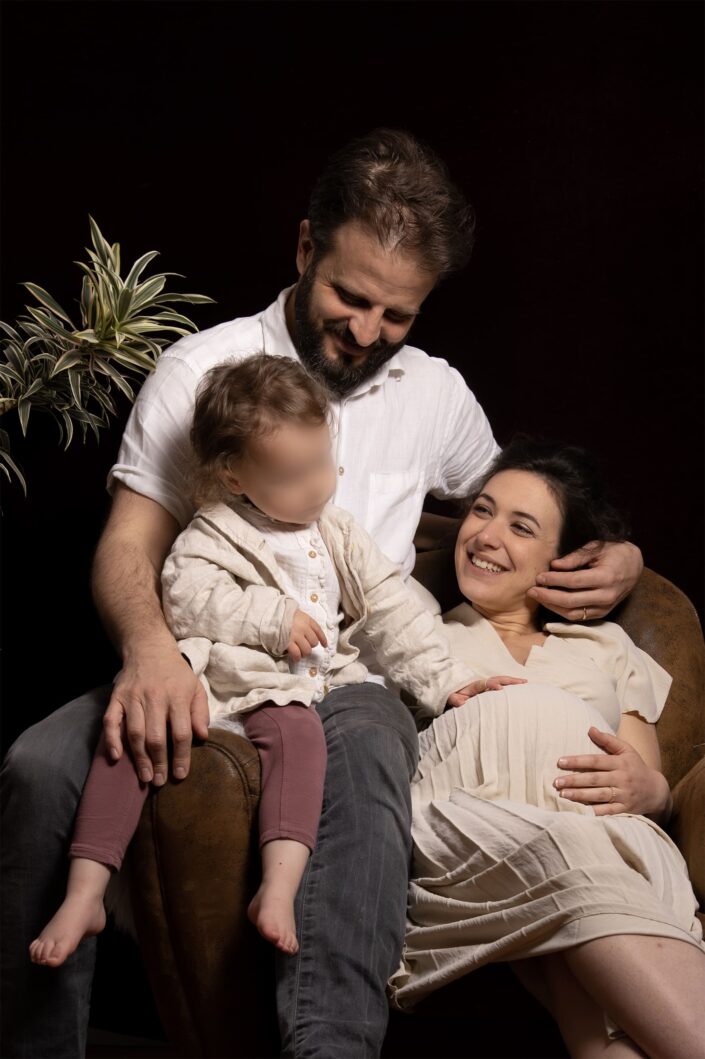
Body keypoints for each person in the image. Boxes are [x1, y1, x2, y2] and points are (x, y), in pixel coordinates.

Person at [1, 128, 644, 1059]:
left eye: (399, 314)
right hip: (201, 649)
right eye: (351, 296)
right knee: (33, 766)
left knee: (376, 741)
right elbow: (128, 545)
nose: (368, 332)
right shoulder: (202, 370)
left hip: (342, 669)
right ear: (305, 249)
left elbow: (528, 499)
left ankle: (331, 1046)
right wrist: (149, 656)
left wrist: (614, 547)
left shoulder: (434, 393)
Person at [28, 353, 520, 965]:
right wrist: (269, 617)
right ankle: (86, 890)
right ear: (235, 476)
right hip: (216, 676)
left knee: (301, 740)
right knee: (132, 740)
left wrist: (447, 682)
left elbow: (392, 610)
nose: (316, 485)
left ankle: (278, 889)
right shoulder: (213, 529)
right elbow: (185, 594)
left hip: (291, 689)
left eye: (322, 463)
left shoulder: (336, 532)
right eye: (293, 476)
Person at [388, 437, 705, 1059]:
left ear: (563, 561)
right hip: (469, 830)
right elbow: (369, 520)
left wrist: (654, 789)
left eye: (521, 526)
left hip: (602, 841)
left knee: (606, 1008)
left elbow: (647, 782)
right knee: (570, 851)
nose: (485, 535)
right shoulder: (416, 630)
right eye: (480, 510)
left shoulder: (609, 647)